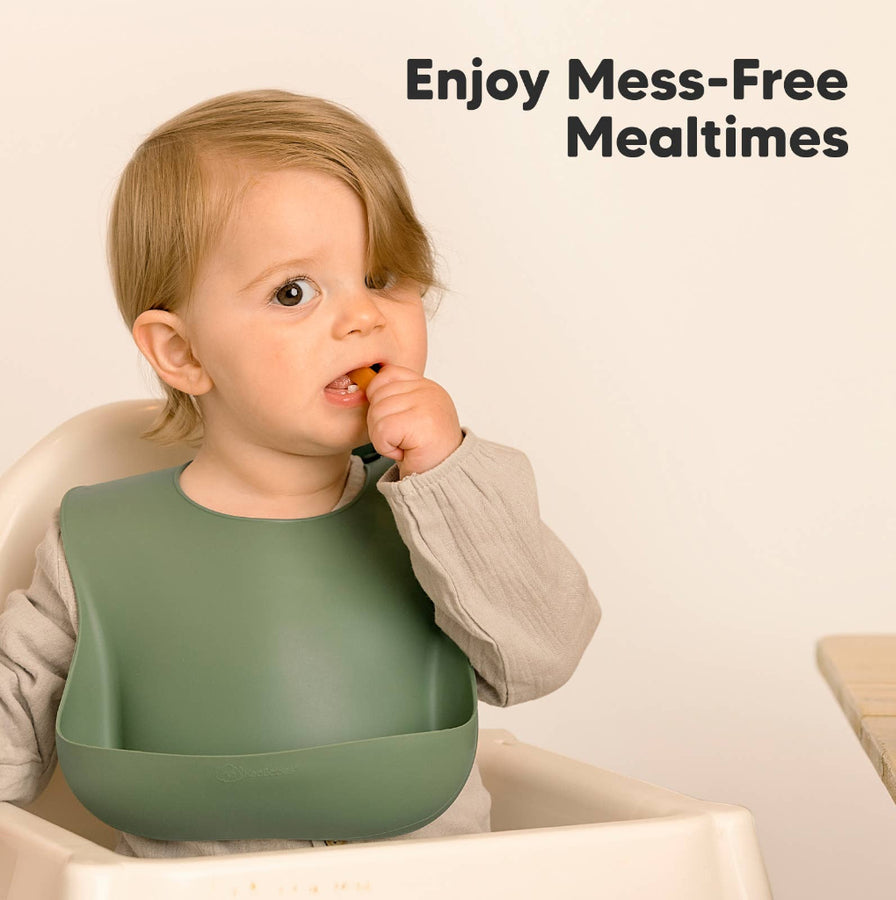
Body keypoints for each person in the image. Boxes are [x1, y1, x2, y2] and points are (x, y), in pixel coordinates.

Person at [0, 89, 601, 858]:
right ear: (181, 352)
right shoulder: (97, 546)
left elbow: (542, 657)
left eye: (383, 276)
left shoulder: (442, 508)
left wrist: (447, 474)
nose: (362, 318)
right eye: (294, 292)